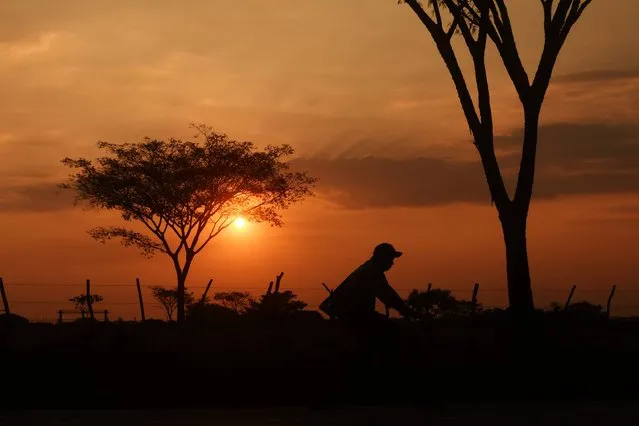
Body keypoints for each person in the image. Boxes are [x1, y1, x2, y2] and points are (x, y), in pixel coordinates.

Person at [319, 242, 416, 326]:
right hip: (355, 315)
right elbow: (388, 295)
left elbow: (387, 294)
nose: (392, 263)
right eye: (390, 259)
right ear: (383, 258)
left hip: (353, 313)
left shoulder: (368, 268)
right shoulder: (372, 271)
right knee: (392, 330)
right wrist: (406, 310)